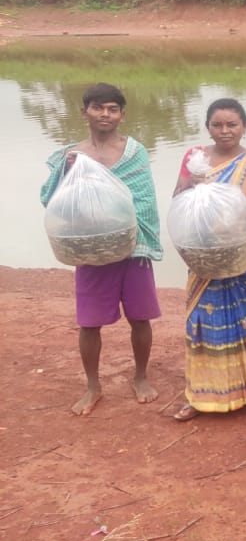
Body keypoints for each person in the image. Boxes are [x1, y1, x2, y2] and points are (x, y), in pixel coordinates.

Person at [40, 83, 163, 416]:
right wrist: (67, 174)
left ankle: (140, 376)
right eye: (98, 108)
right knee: (89, 323)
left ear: (122, 114)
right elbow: (53, 201)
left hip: (132, 248)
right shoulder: (72, 155)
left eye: (112, 109)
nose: (105, 114)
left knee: (140, 317)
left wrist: (135, 237)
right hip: (91, 250)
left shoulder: (134, 153)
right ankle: (93, 386)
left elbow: (144, 200)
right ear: (84, 112)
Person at [173, 98, 246, 421]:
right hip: (206, 256)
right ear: (208, 127)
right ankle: (203, 395)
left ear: (244, 127)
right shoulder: (195, 159)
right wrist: (191, 187)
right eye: (217, 125)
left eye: (232, 124)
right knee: (205, 322)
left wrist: (241, 240)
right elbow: (177, 202)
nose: (224, 131)